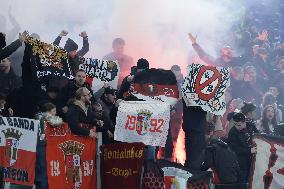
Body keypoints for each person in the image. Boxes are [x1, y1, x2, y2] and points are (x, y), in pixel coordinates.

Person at [35, 102, 63, 189]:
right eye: (54, 111)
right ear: (48, 111)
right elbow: (57, 121)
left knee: (39, 167)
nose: (56, 113)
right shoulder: (45, 116)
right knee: (44, 167)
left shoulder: (38, 116)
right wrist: (60, 120)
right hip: (43, 145)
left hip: (38, 144)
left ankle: (39, 185)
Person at [227, 113, 257, 185]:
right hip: (241, 162)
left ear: (244, 122)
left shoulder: (251, 125)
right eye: (235, 124)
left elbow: (259, 136)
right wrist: (249, 151)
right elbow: (234, 149)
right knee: (242, 181)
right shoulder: (232, 132)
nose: (237, 127)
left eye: (239, 125)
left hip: (254, 159)